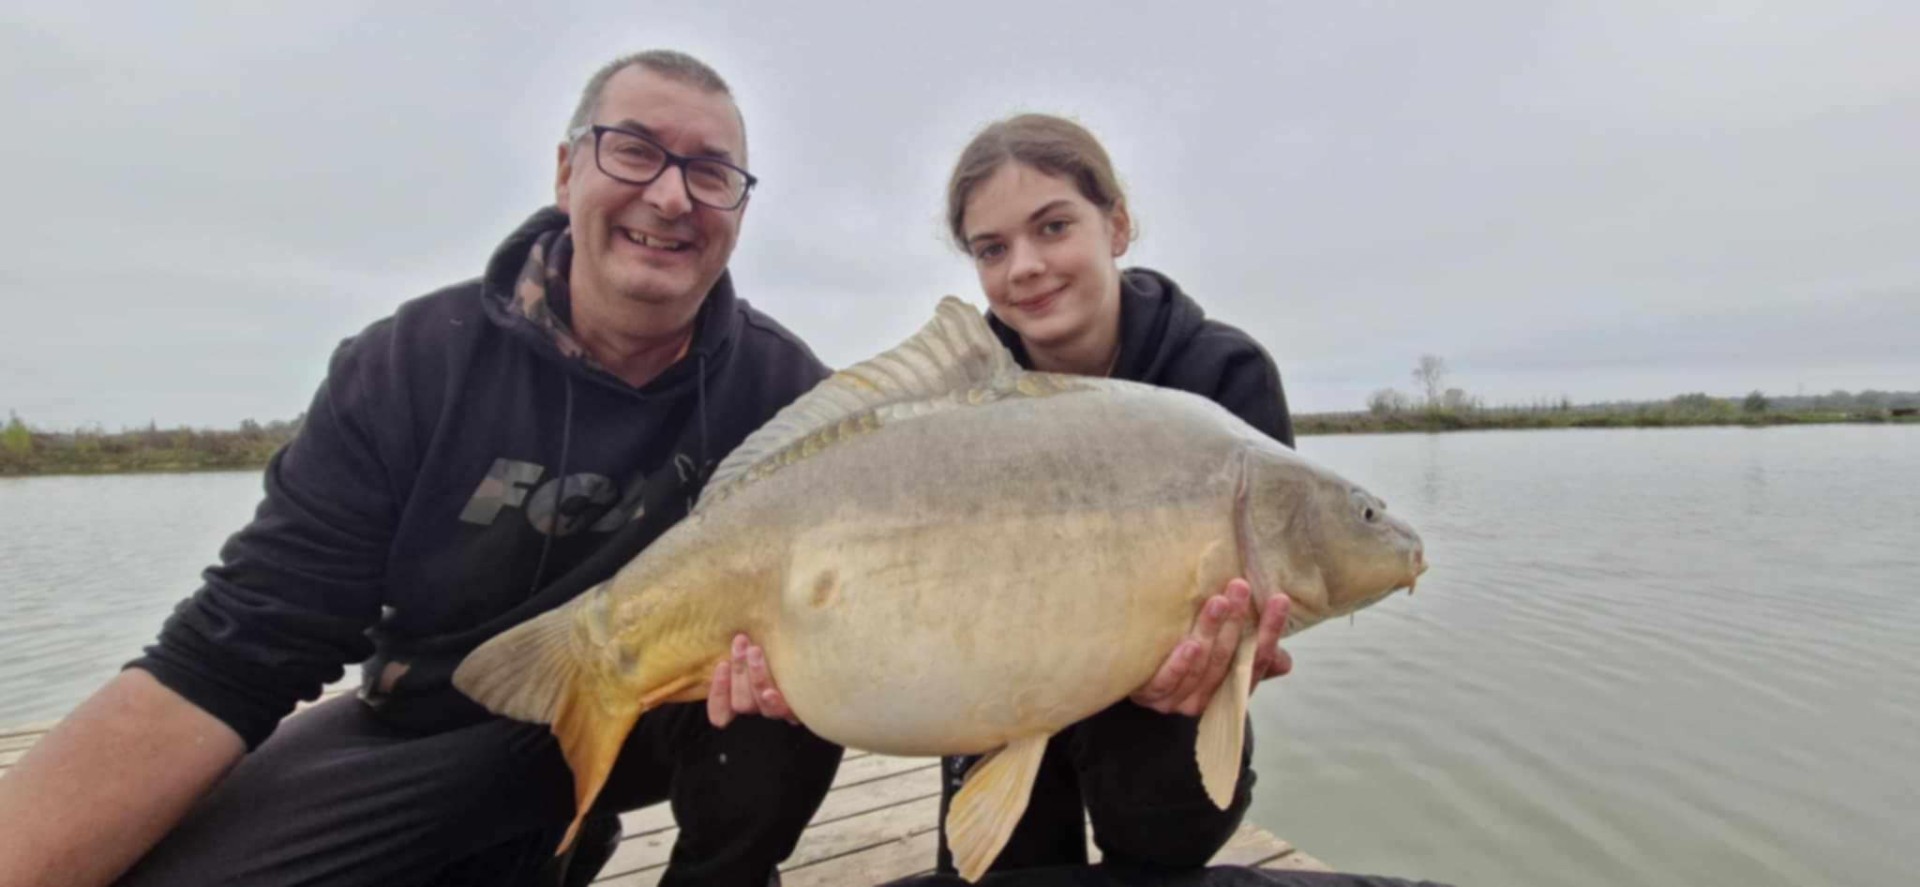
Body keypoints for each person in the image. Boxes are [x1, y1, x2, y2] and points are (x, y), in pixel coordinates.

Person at [0, 50, 843, 887]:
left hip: (650, 717)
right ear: (566, 169)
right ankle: (535, 843)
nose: (671, 193)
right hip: (430, 723)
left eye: (711, 171)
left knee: (798, 666)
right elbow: (240, 645)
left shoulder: (789, 396)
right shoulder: (413, 364)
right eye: (634, 149)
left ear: (739, 208)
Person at [709, 112, 1299, 878]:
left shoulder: (1223, 377)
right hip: (989, 673)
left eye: (1053, 227)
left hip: (1151, 702)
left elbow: (1261, 593)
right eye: (992, 248)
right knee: (999, 867)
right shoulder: (956, 402)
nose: (1024, 266)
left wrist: (1233, 657)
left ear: (1117, 225)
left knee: (1168, 847)